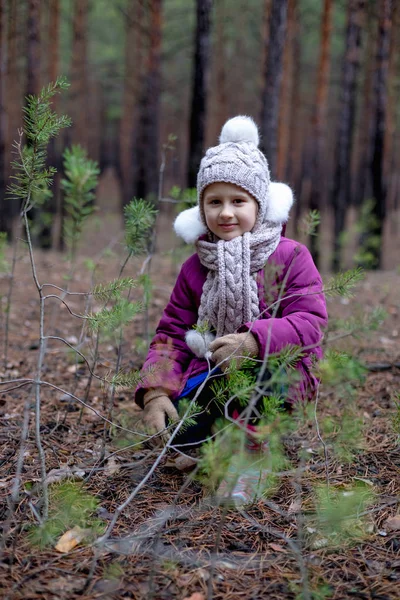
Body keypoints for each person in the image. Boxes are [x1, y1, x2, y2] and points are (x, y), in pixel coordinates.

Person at [134, 115, 328, 504]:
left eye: (238, 201)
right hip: (211, 370)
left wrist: (256, 340)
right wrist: (156, 389)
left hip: (279, 370)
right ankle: (218, 439)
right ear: (201, 207)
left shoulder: (289, 256)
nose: (226, 212)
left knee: (260, 386)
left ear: (259, 204)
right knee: (179, 431)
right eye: (214, 201)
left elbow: (311, 321)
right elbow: (171, 332)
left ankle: (252, 456)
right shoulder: (196, 267)